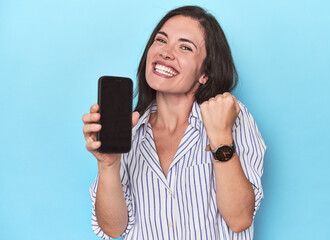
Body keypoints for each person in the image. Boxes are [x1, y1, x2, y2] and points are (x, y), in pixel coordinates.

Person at [83, 5, 266, 240]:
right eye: (161, 40)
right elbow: (113, 229)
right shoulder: (128, 130)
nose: (166, 52)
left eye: (185, 47)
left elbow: (240, 219)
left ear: (205, 73)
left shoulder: (231, 118)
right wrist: (108, 165)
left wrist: (220, 138)